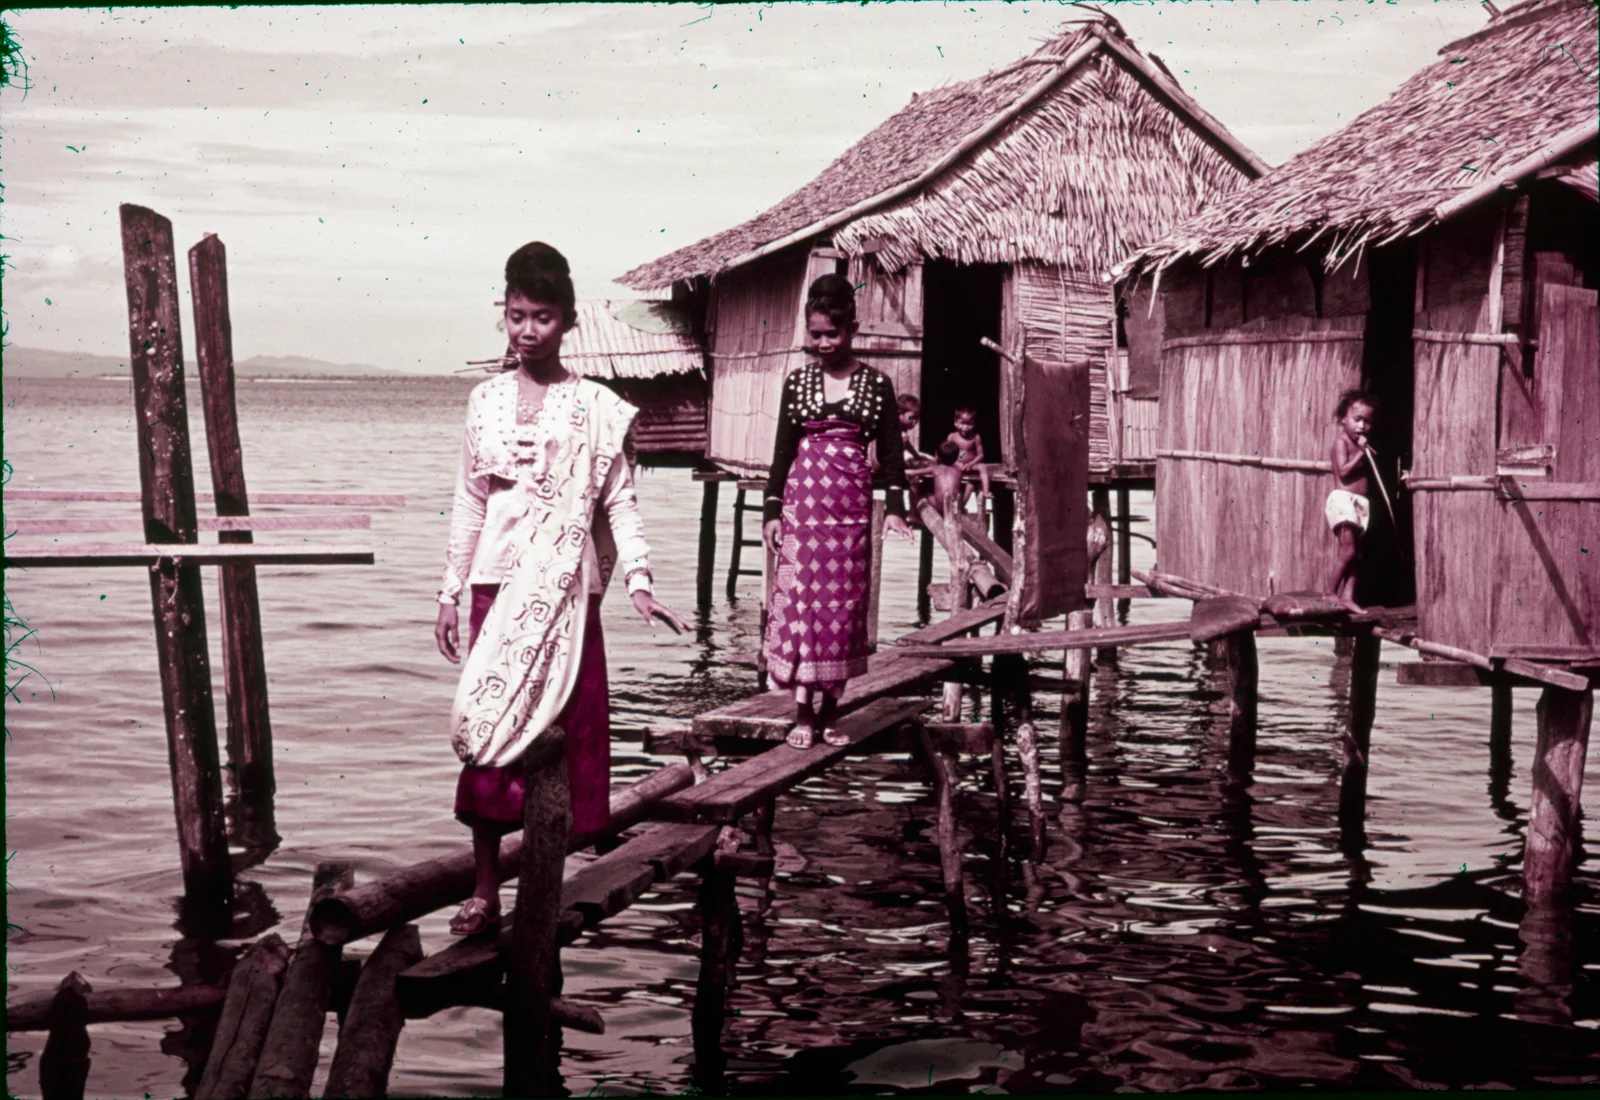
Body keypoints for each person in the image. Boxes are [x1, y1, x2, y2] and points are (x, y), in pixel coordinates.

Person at [435, 241, 689, 936]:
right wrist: (450, 592)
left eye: (542, 317)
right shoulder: (484, 402)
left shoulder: (596, 407)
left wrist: (639, 580)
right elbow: (469, 502)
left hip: (569, 592)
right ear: (505, 314)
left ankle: (540, 891)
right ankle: (484, 891)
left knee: (559, 741)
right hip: (495, 587)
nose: (527, 331)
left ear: (569, 321)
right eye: (517, 315)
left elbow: (619, 502)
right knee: (489, 732)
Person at [762, 274, 915, 750]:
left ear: (852, 329)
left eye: (833, 333)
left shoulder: (877, 384)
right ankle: (802, 712)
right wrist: (772, 509)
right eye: (816, 335)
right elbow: (783, 450)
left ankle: (830, 711)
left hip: (850, 510)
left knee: (843, 607)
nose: (824, 343)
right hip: (803, 507)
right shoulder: (797, 382)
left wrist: (895, 509)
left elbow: (892, 454)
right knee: (802, 602)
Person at [1326, 389, 1377, 612]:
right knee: (1348, 551)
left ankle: (1348, 597)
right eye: (1357, 419)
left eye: (1367, 421)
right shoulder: (1342, 443)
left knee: (1357, 554)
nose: (1362, 426)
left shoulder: (1360, 446)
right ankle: (1330, 592)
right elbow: (1344, 471)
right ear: (1343, 419)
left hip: (1358, 503)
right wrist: (1361, 454)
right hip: (1343, 501)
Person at [944, 403, 992, 503]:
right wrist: (956, 463)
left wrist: (971, 464)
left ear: (974, 424)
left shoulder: (976, 437)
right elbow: (946, 453)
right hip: (956, 465)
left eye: (969, 424)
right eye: (962, 423)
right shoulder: (952, 436)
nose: (965, 427)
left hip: (971, 466)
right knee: (948, 469)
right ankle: (955, 499)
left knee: (983, 467)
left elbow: (981, 455)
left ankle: (986, 492)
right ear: (955, 422)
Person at [928, 440, 969, 519]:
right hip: (955, 507)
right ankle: (961, 507)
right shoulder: (959, 470)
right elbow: (962, 459)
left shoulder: (935, 468)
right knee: (970, 486)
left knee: (926, 493)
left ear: (937, 456)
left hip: (939, 507)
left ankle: (915, 513)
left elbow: (913, 472)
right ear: (956, 457)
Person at [897, 393, 932, 470]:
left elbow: (907, 444)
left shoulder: (903, 427)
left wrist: (916, 456)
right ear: (900, 413)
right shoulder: (893, 427)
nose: (915, 421)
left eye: (917, 418)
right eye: (912, 417)